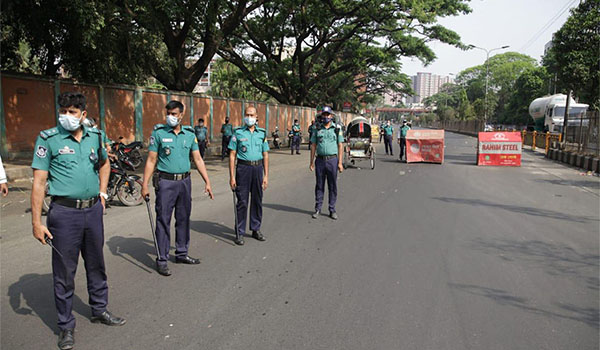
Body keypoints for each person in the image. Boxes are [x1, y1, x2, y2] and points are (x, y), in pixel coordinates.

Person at [30, 92, 126, 350]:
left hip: (93, 211)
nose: (67, 116)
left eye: (73, 112)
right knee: (64, 272)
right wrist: (37, 223)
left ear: (83, 114)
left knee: (96, 263)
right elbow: (39, 181)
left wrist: (103, 193)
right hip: (64, 214)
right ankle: (65, 326)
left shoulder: (96, 136)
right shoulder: (48, 139)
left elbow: (105, 165)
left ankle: (99, 309)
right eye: (63, 111)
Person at [141, 100, 214, 277]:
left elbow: (197, 159)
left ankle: (181, 253)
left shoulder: (189, 134)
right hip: (166, 182)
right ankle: (162, 259)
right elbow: (151, 160)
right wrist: (144, 184)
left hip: (184, 182)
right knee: (163, 220)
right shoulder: (158, 133)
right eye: (168, 114)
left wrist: (207, 181)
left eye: (174, 114)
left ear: (181, 115)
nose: (170, 117)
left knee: (183, 218)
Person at [228, 106, 269, 246]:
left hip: (258, 168)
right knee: (242, 202)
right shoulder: (238, 133)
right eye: (247, 115)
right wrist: (232, 176)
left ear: (256, 116)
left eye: (252, 115)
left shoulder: (262, 133)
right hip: (243, 168)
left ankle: (255, 229)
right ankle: (239, 232)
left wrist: (266, 175)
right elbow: (232, 155)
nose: (249, 117)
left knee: (257, 200)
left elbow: (265, 154)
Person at [309, 106, 344, 220]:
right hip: (320, 160)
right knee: (319, 185)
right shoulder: (317, 129)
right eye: (324, 115)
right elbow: (313, 145)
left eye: (327, 115)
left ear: (331, 116)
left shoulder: (337, 129)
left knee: (332, 185)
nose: (326, 117)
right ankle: (318, 208)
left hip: (332, 160)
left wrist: (340, 163)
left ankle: (332, 209)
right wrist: (311, 162)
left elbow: (340, 145)